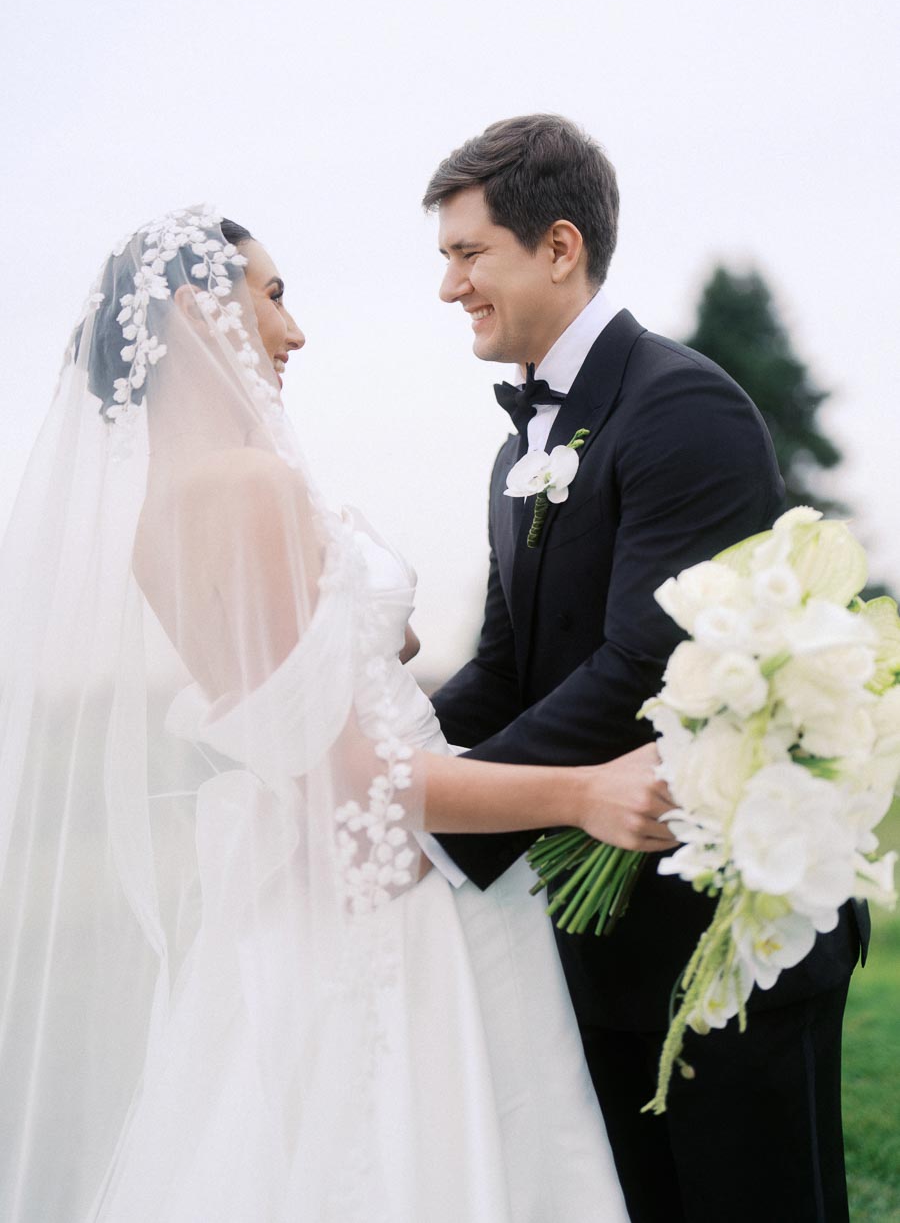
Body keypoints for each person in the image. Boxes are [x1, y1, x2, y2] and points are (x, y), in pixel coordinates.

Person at [0, 206, 675, 1222]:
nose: (294, 330)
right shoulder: (250, 486)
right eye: (271, 296)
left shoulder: (159, 519)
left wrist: (365, 641)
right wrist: (585, 790)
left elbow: (295, 714)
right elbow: (359, 779)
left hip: (308, 895)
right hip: (401, 901)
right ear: (195, 314)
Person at [423, 114, 868, 1223]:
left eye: (468, 253)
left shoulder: (681, 406)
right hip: (595, 935)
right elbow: (506, 668)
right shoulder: (515, 447)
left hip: (720, 939)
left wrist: (432, 815)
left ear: (559, 246)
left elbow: (646, 661)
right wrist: (387, 752)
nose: (449, 286)